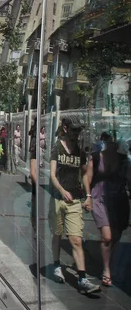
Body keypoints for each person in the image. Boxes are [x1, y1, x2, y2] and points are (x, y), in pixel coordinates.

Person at [49, 115, 100, 294]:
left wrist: (88, 196)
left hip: (75, 200)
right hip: (58, 198)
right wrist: (62, 190)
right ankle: (56, 264)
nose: (77, 134)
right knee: (57, 234)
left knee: (76, 239)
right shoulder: (57, 149)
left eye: (79, 130)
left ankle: (82, 279)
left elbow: (85, 174)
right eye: (74, 130)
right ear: (65, 129)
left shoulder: (81, 152)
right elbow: (53, 175)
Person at [84, 133, 130, 286]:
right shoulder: (96, 157)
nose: (112, 143)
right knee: (107, 237)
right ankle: (106, 269)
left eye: (114, 140)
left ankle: (108, 261)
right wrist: (88, 196)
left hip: (119, 200)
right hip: (100, 199)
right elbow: (87, 178)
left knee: (116, 236)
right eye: (108, 140)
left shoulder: (124, 160)